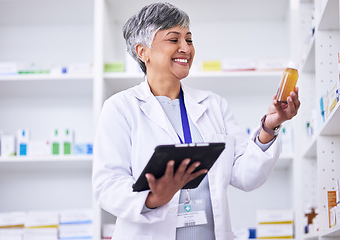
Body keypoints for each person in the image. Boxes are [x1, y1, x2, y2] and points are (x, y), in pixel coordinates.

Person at [92, 2, 300, 240]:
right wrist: (153, 198)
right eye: (173, 39)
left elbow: (245, 175)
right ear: (143, 52)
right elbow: (107, 185)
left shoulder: (213, 105)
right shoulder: (120, 108)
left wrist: (269, 127)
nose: (185, 48)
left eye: (189, 40)